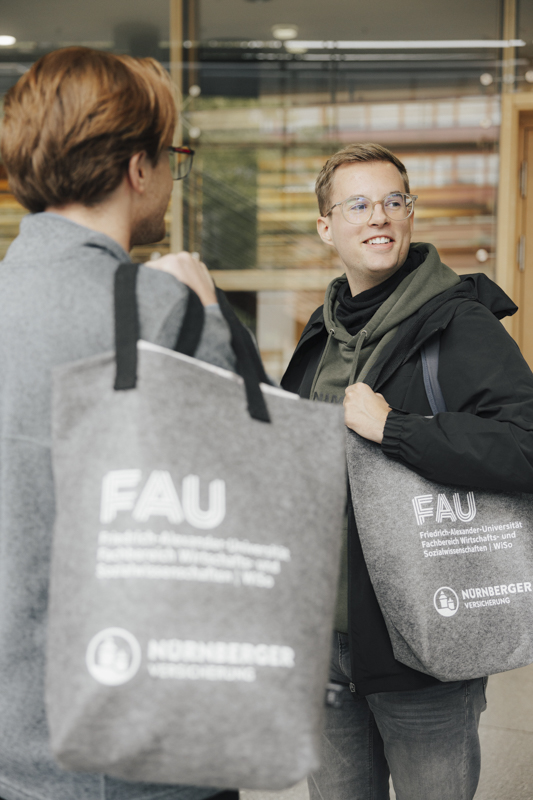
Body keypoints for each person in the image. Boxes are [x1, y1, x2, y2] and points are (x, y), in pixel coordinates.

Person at [0, 47, 237, 800]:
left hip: (15, 740)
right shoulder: (164, 311)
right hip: (146, 747)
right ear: (139, 167)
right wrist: (207, 316)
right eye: (173, 156)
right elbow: (250, 498)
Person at [281, 142, 533, 800]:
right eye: (358, 204)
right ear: (326, 227)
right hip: (324, 641)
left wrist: (395, 429)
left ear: (410, 215)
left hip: (422, 645)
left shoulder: (459, 323)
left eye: (394, 200)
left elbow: (525, 444)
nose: (379, 216)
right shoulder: (320, 333)